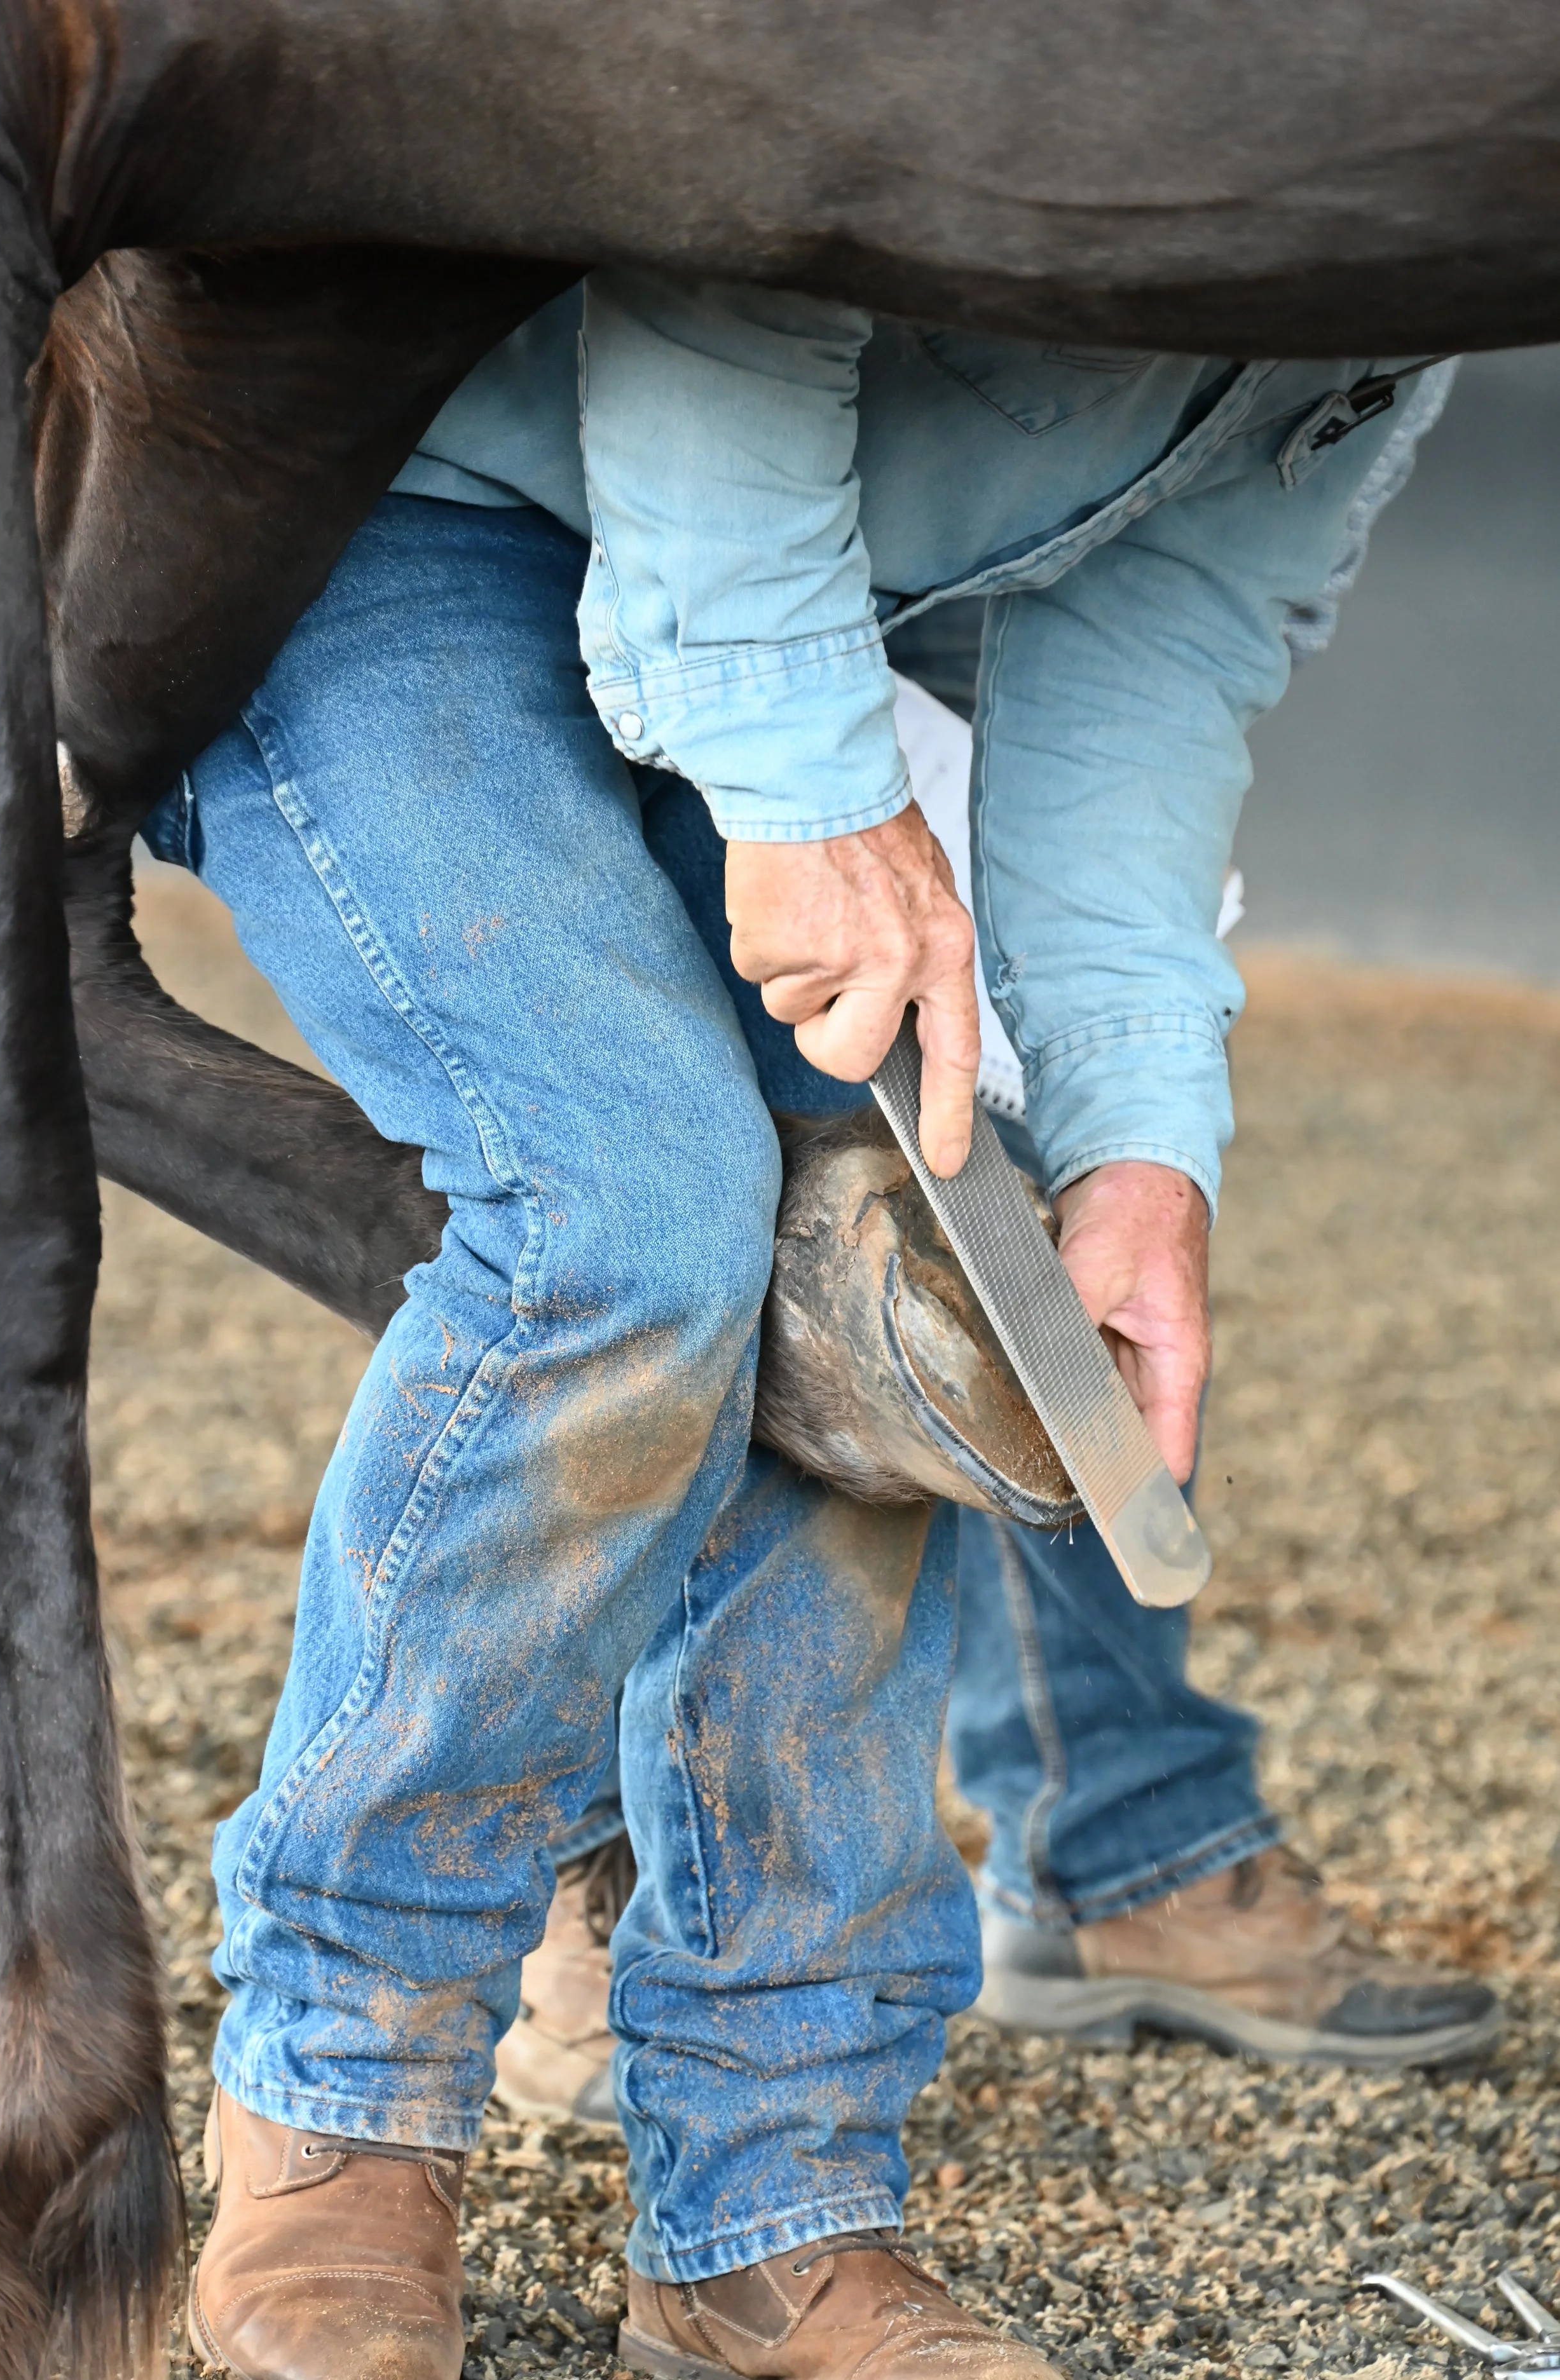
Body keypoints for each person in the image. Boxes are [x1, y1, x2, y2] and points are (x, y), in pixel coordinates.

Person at [161, 273, 1464, 2380]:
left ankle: (767, 2205)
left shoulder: (1443, 251)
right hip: (393, 508)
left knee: (886, 1291)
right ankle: (341, 2099)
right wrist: (794, 785)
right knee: (635, 1212)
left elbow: (1152, 643)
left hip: (779, 616)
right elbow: (726, 267)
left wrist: (1141, 1140)